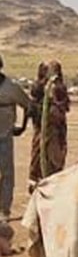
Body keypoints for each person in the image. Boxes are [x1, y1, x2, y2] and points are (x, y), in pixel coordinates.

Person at [28, 60, 69, 189]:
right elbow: (33, 105)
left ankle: (54, 179)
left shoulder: (60, 88)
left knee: (55, 155)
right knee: (39, 152)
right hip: (42, 128)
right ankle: (36, 180)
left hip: (56, 131)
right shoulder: (37, 88)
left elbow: (64, 105)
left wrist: (54, 94)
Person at [0, 55, 31, 220]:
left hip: (5, 136)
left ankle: (4, 210)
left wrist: (22, 126)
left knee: (6, 175)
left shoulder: (11, 88)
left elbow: (28, 106)